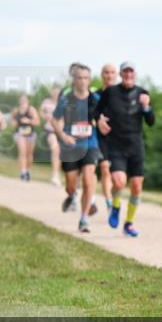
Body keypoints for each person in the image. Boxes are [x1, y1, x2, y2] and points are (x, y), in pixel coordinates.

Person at [94, 62, 154, 237]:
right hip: (116, 145)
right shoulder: (110, 92)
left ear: (135, 74)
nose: (128, 75)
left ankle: (129, 223)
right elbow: (96, 111)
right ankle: (116, 205)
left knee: (136, 185)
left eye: (131, 72)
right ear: (120, 74)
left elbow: (151, 121)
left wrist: (146, 107)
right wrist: (100, 120)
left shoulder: (143, 93)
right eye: (125, 72)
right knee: (119, 182)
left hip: (136, 146)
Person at [53, 64, 100, 232]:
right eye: (79, 78)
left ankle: (84, 218)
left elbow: (104, 117)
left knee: (88, 180)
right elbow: (55, 119)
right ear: (74, 80)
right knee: (71, 184)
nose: (82, 81)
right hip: (70, 146)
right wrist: (63, 136)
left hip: (90, 144)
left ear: (90, 80)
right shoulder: (66, 99)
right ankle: (72, 194)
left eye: (86, 78)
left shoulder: (96, 99)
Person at [97, 63, 119, 211]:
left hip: (119, 137)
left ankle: (115, 197)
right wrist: (98, 119)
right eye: (106, 72)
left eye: (112, 72)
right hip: (102, 136)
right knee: (105, 168)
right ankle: (109, 202)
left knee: (117, 173)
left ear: (116, 75)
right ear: (102, 75)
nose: (109, 75)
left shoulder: (122, 93)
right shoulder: (95, 95)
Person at [11, 94, 40, 181]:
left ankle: (28, 171)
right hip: (20, 134)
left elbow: (37, 122)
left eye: (24, 99)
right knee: (22, 152)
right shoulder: (16, 111)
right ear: (19, 100)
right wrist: (14, 123)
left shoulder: (31, 110)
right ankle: (23, 172)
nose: (23, 100)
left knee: (29, 154)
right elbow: (13, 122)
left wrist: (29, 121)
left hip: (31, 134)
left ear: (28, 100)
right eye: (21, 99)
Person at [40, 86, 62, 186]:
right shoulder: (46, 102)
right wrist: (45, 116)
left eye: (57, 92)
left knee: (59, 153)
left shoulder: (63, 103)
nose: (55, 94)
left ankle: (57, 174)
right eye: (54, 92)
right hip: (50, 130)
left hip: (61, 131)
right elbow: (40, 111)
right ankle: (55, 175)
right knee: (55, 149)